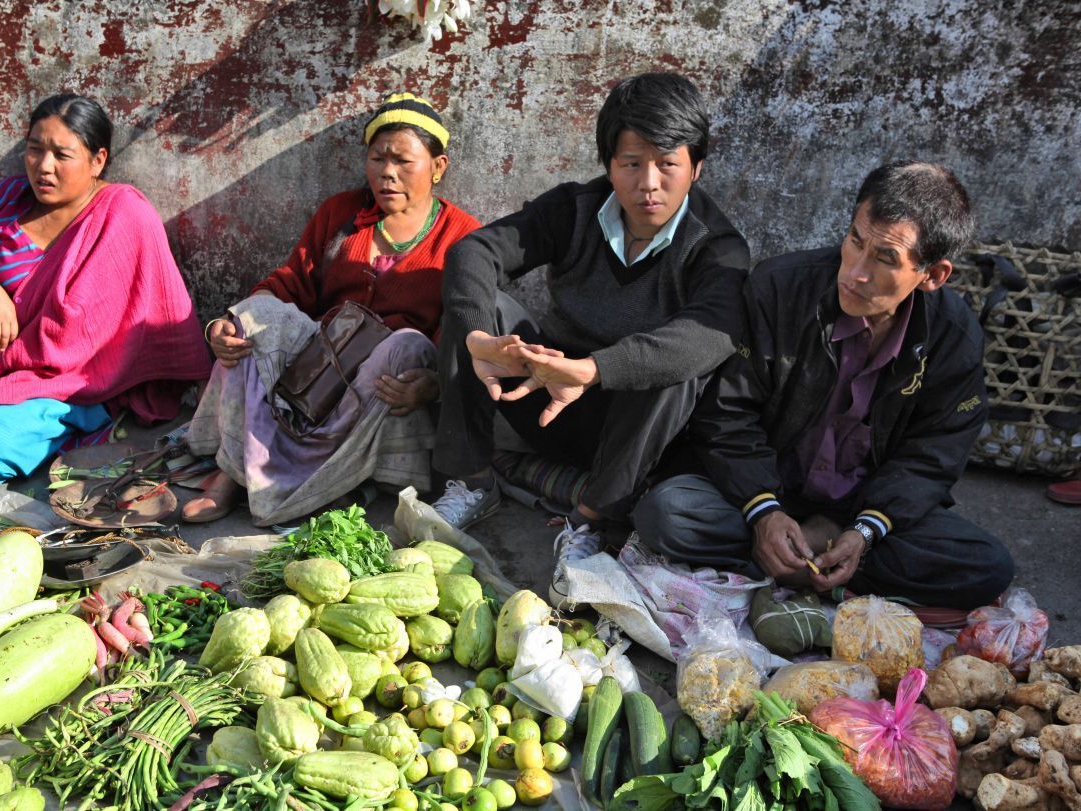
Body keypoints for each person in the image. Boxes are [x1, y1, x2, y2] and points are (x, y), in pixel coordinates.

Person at [428, 72, 750, 608]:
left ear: (696, 167)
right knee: (476, 309)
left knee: (683, 361)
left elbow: (710, 334)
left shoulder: (716, 247)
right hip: (542, 398)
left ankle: (591, 522)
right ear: (609, 163)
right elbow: (476, 251)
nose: (648, 183)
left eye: (668, 164)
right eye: (631, 163)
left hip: (635, 437)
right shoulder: (575, 209)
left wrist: (593, 370)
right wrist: (481, 339)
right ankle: (471, 478)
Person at [636, 161, 1015, 611]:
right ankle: (802, 562)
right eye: (855, 241)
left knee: (986, 566)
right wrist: (764, 511)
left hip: (860, 512)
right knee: (668, 513)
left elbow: (933, 456)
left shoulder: (953, 337)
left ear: (932, 276)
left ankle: (816, 560)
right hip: (767, 490)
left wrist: (861, 531)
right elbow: (726, 414)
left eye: (885, 258)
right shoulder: (779, 289)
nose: (854, 271)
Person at [0, 94, 210, 482]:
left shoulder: (125, 213)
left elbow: (166, 306)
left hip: (63, 383)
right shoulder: (9, 197)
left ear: (97, 160)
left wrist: (209, 393)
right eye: (34, 150)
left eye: (62, 155)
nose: (43, 167)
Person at [182, 93, 481, 526]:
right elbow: (291, 282)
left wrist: (435, 384)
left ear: (438, 167)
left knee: (407, 344)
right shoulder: (342, 212)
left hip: (389, 378)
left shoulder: (463, 235)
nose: (388, 173)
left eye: (403, 161)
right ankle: (233, 472)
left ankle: (299, 480)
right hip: (320, 365)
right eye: (377, 158)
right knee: (253, 315)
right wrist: (230, 324)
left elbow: (460, 323)